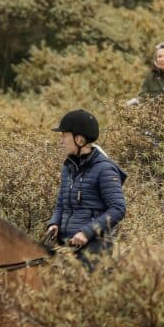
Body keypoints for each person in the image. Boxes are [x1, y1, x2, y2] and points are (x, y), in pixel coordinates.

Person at [45, 109, 127, 269]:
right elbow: (61, 204)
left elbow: (118, 209)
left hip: (94, 248)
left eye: (64, 136)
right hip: (67, 244)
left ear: (79, 140)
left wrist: (86, 232)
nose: (61, 141)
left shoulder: (105, 170)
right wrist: (54, 223)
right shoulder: (68, 167)